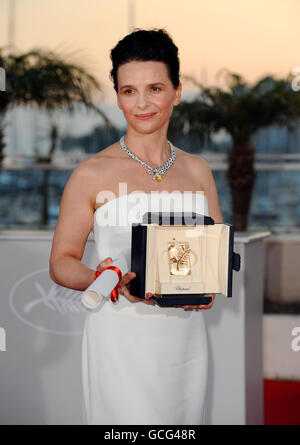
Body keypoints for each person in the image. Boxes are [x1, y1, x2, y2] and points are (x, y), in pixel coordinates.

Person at [49, 28, 223, 425]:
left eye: (155, 88)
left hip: (185, 340)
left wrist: (207, 287)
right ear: (118, 97)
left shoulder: (199, 170)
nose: (142, 103)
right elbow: (61, 261)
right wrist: (105, 277)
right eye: (129, 91)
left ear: (177, 92)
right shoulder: (91, 172)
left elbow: (213, 253)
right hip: (120, 341)